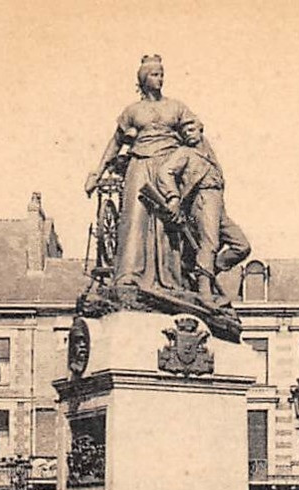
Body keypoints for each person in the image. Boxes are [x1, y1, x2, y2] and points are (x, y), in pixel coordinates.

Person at [84, 55, 202, 294]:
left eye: (161, 74)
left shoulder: (176, 107)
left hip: (169, 166)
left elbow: (196, 133)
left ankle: (170, 278)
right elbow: (115, 143)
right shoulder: (132, 111)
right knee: (135, 218)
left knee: (167, 220)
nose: (160, 79)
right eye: (155, 75)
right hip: (139, 165)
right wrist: (97, 173)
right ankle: (129, 275)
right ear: (143, 79)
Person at [151, 118, 251, 306]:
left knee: (242, 246)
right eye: (184, 131)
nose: (188, 133)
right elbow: (165, 171)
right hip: (202, 201)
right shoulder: (184, 153)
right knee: (210, 243)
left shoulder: (208, 154)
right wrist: (173, 195)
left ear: (200, 130)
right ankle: (204, 292)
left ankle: (203, 272)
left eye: (191, 129)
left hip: (218, 203)